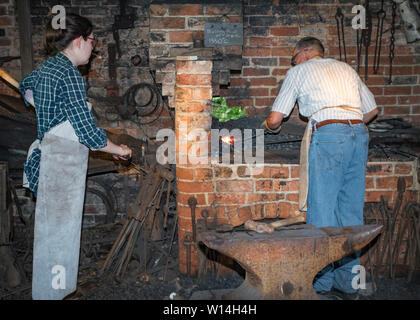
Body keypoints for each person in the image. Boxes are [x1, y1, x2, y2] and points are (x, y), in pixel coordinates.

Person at [19, 14, 132, 300]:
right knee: (61, 239)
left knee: (50, 236)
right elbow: (86, 132)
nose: (93, 48)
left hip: (49, 159)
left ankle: (50, 293)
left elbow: (25, 85)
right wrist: (119, 150)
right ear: (79, 39)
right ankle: (53, 295)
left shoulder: (48, 67)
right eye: (92, 40)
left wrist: (40, 103)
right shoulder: (69, 74)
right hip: (61, 166)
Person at [261, 37, 378, 295]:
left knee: (321, 209)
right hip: (359, 134)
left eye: (293, 57)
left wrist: (270, 126)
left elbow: (274, 118)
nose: (294, 61)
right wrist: (348, 125)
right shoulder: (346, 68)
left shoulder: (298, 71)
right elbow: (371, 110)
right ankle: (348, 282)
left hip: (328, 136)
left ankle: (320, 283)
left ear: (303, 53)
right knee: (350, 211)